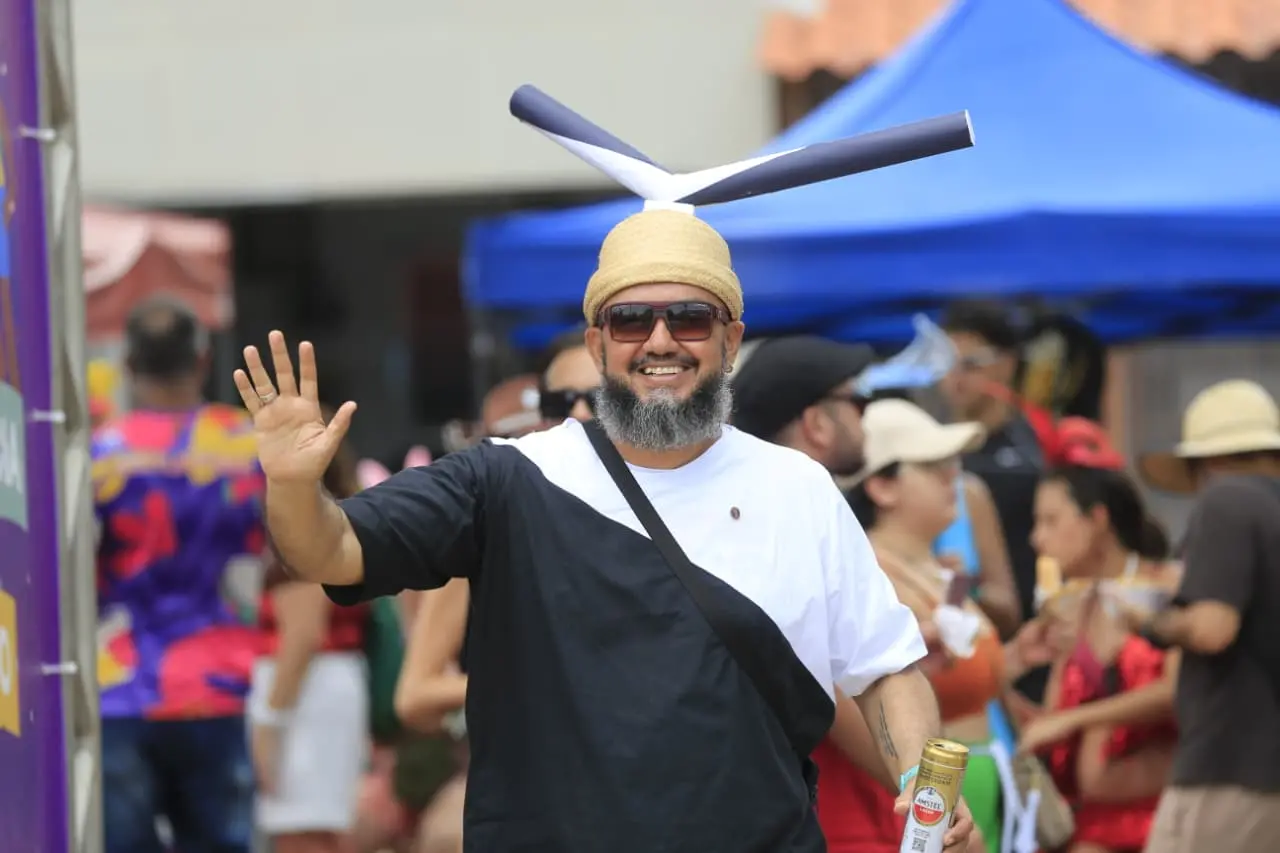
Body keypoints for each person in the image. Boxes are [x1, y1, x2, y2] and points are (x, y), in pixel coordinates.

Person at [234, 208, 974, 852]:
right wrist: (295, 488)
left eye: (689, 317)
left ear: (729, 338)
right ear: (596, 344)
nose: (660, 340)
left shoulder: (798, 487)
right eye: (631, 319)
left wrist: (917, 775)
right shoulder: (507, 480)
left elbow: (885, 667)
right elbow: (331, 549)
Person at [733, 336, 1022, 853]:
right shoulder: (779, 531)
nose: (865, 418)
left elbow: (881, 669)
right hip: (839, 824)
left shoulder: (803, 522)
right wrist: (941, 816)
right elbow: (842, 694)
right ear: (817, 424)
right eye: (856, 402)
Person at [846, 399, 1058, 853]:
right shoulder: (867, 576)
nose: (952, 477)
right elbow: (877, 696)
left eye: (951, 463)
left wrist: (1017, 657)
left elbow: (967, 679)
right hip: (928, 803)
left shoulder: (940, 570)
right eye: (932, 466)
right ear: (882, 486)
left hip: (981, 784)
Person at [94, 297, 263, 853]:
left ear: (129, 365)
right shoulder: (248, 444)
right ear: (202, 358)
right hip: (218, 682)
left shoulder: (98, 455)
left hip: (120, 684)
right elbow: (291, 553)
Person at [1132, 379, 1280, 852]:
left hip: (1231, 765)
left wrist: (1147, 620)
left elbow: (1213, 628)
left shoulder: (1227, 501)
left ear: (1206, 463)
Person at [1020, 446, 1179, 853]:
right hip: (1089, 816)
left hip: (1161, 810)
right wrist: (994, 678)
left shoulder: (1168, 587)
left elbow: (1174, 692)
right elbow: (1049, 724)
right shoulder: (1073, 607)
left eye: (1051, 521)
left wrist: (1075, 719)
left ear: (1098, 519)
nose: (1037, 538)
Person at [250, 407, 371, 853]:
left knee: (303, 834)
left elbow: (302, 635)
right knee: (317, 832)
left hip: (306, 694)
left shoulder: (301, 528)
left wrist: (269, 722)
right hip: (327, 685)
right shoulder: (341, 517)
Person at [940, 300, 1047, 699]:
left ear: (1006, 365)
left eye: (970, 364)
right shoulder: (932, 459)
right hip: (961, 659)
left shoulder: (1035, 456)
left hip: (1034, 656)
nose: (954, 378)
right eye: (946, 364)